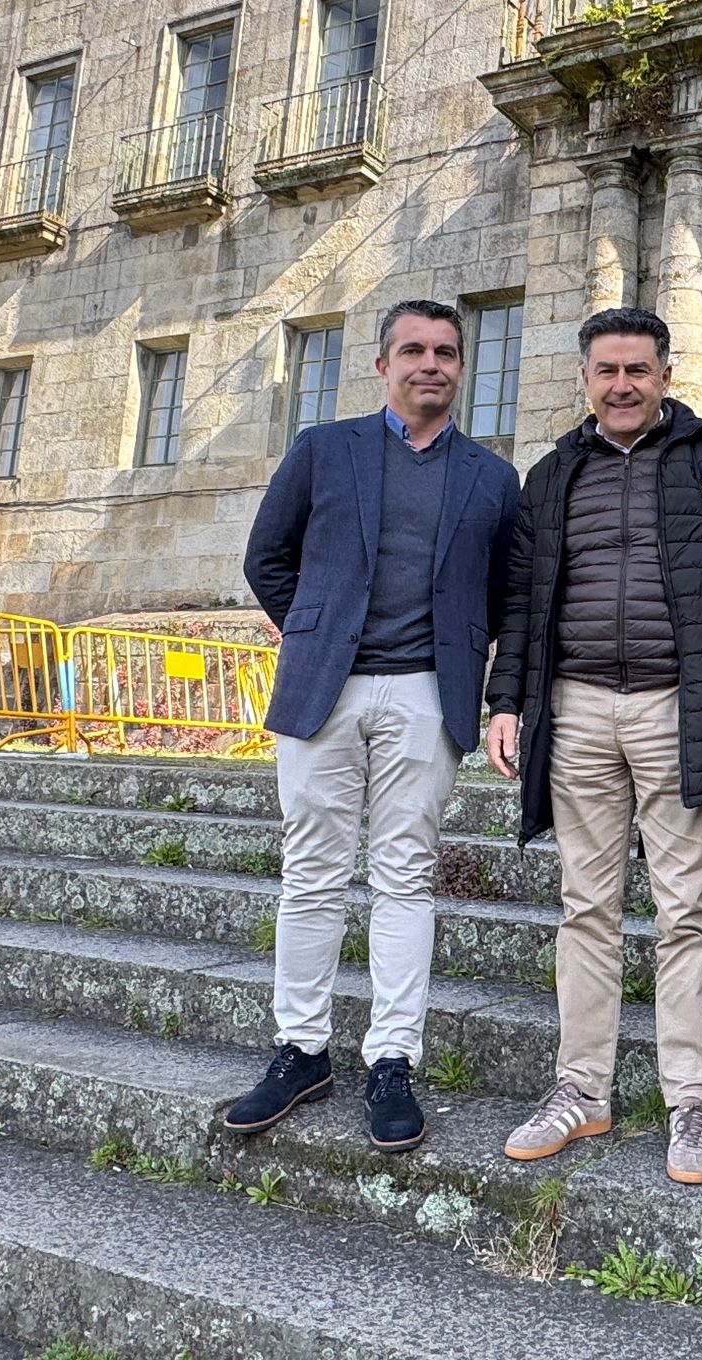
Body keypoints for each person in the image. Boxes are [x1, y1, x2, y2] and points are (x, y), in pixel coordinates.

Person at [485, 305, 702, 1186]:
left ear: (665, 375)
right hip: (574, 709)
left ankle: (691, 1102)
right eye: (607, 370)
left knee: (684, 908)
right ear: (586, 378)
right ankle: (581, 1089)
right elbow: (520, 602)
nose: (622, 385)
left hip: (678, 709)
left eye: (638, 371)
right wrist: (507, 700)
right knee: (587, 906)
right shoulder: (551, 476)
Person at [229, 298, 518, 1153]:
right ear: (383, 365)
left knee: (404, 878)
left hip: (428, 694)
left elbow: (506, 593)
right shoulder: (323, 451)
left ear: (461, 368)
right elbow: (265, 557)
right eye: (414, 351)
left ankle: (391, 1057)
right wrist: (312, 627)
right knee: (311, 871)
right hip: (327, 689)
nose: (431, 364)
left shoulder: (492, 477)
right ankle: (301, 1049)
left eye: (447, 352)